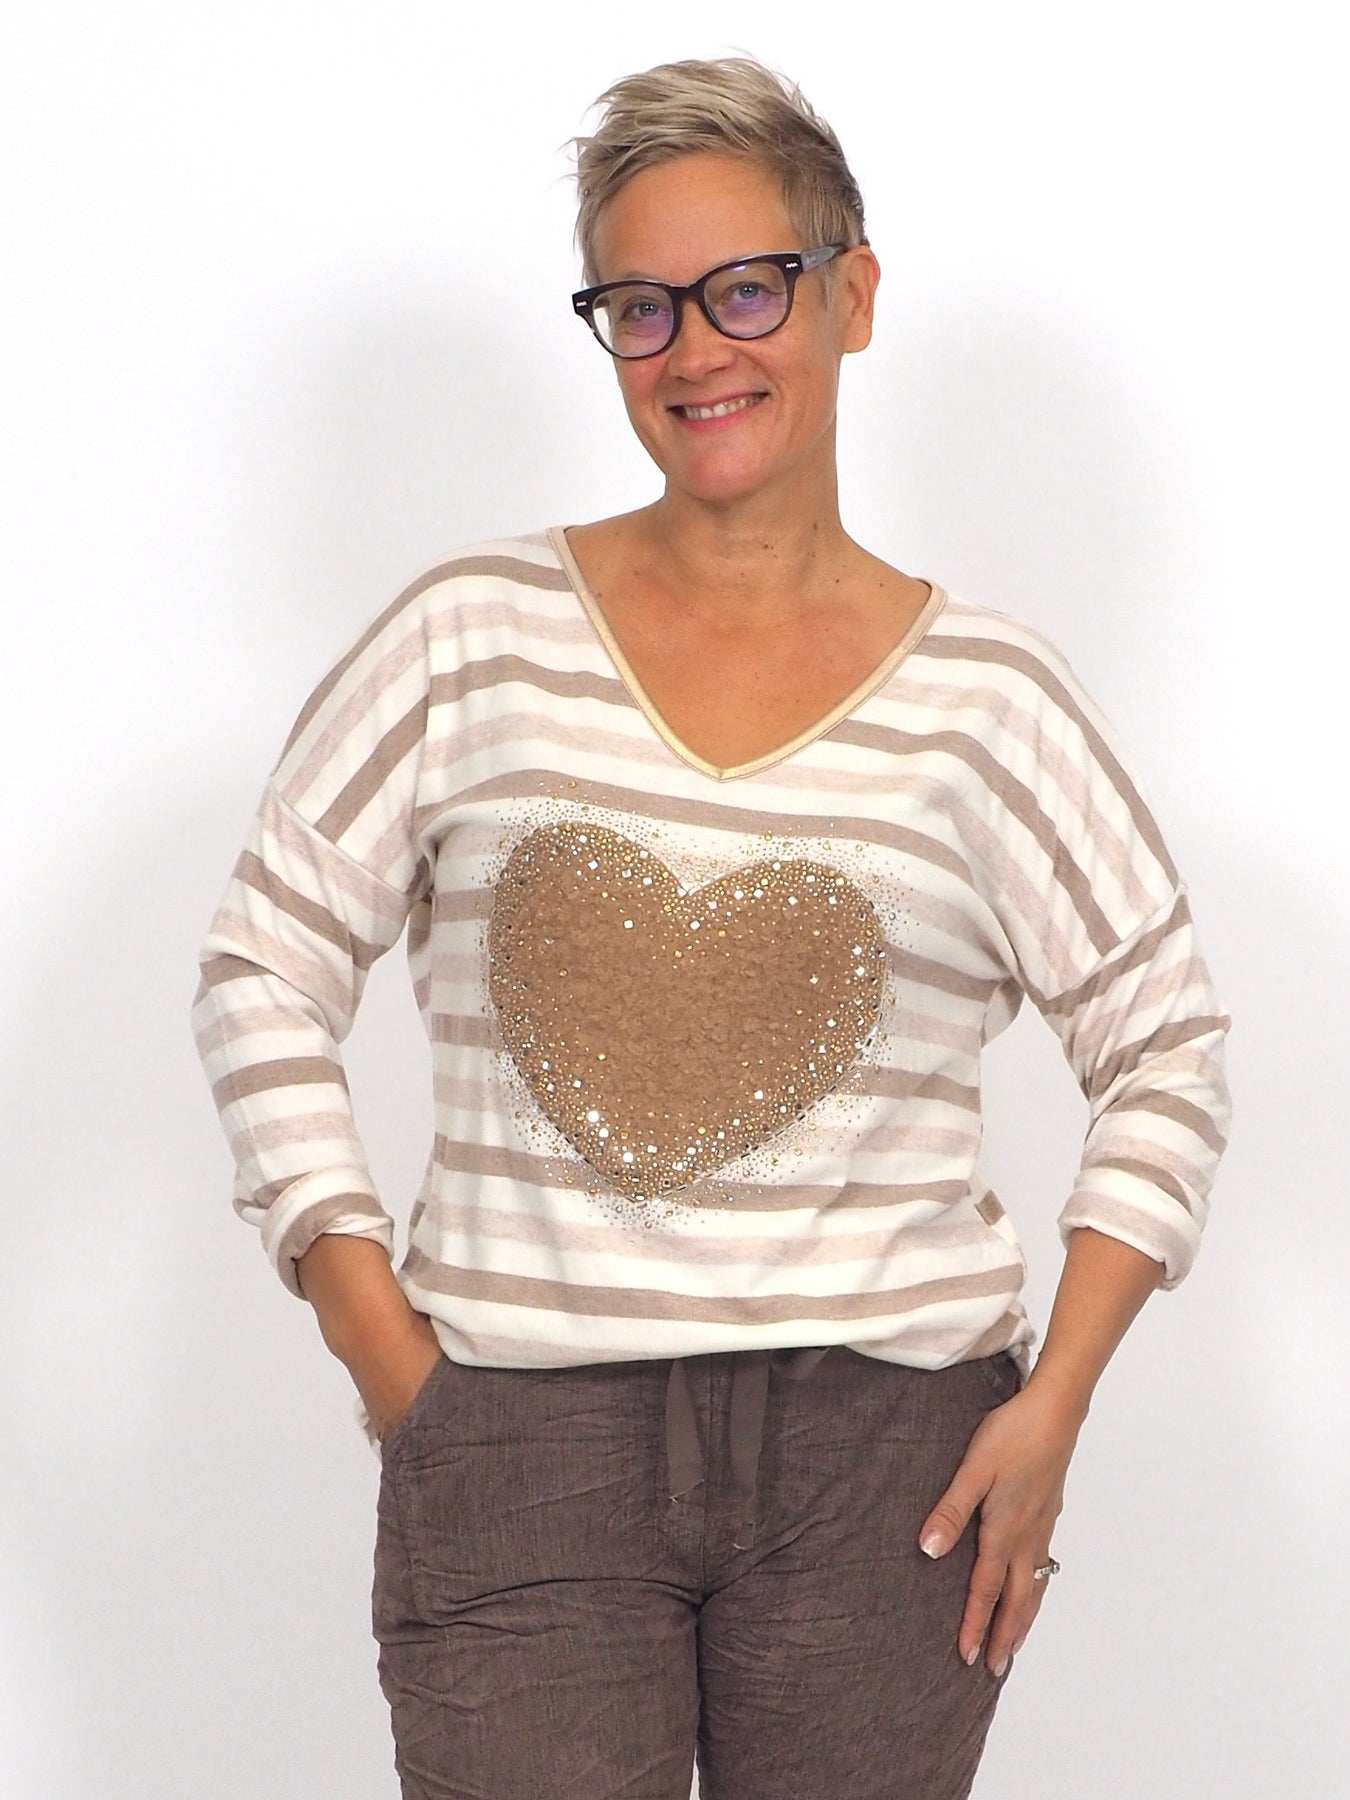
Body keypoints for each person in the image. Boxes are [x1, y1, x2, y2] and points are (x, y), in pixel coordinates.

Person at [192, 55, 1231, 1800]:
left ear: (850, 296)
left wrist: (1052, 1402)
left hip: (888, 1460)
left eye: (745, 288)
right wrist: (383, 1346)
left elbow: (1168, 1046)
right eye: (640, 307)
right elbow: (260, 968)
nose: (693, 351)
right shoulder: (467, 634)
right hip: (520, 1440)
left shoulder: (991, 701)